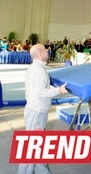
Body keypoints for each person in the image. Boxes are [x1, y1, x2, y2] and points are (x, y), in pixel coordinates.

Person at [18, 43, 68, 174]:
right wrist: (58, 90)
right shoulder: (39, 71)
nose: (48, 51)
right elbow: (40, 92)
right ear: (40, 54)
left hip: (35, 110)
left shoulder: (33, 68)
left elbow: (38, 89)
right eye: (46, 50)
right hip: (36, 112)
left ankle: (42, 171)